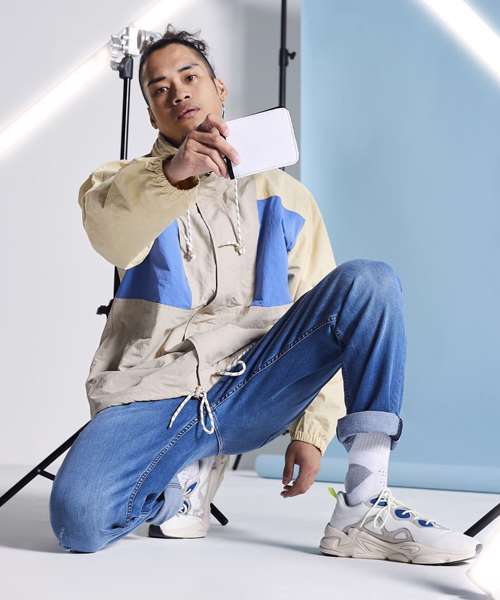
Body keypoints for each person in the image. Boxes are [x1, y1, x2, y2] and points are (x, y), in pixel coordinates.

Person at [49, 24, 481, 564]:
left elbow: (325, 314)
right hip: (154, 394)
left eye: (189, 77)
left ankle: (363, 503)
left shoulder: (287, 196)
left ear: (219, 89)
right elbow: (114, 239)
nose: (177, 92)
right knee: (79, 522)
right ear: (152, 114)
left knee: (370, 282)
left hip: (255, 386)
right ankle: (180, 476)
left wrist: (312, 431)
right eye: (159, 89)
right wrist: (176, 174)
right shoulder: (120, 183)